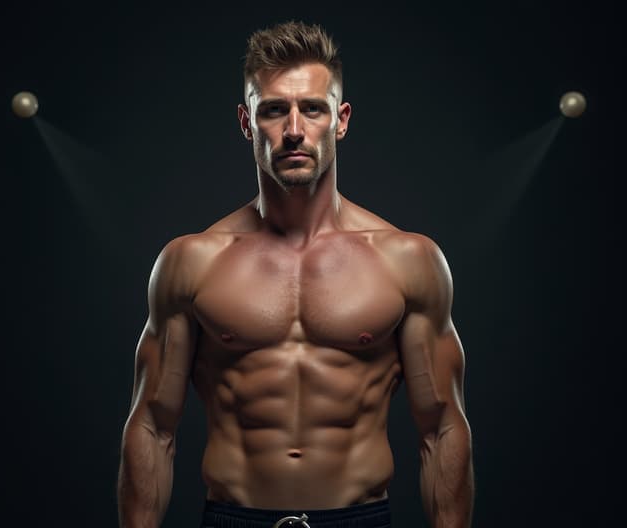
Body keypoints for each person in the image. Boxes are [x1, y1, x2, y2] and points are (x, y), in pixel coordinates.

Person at [118, 20, 474, 528]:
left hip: (359, 520)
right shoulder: (191, 262)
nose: (293, 130)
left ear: (340, 119)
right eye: (273, 110)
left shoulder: (407, 260)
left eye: (312, 108)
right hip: (234, 519)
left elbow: (441, 428)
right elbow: (153, 426)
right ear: (246, 122)